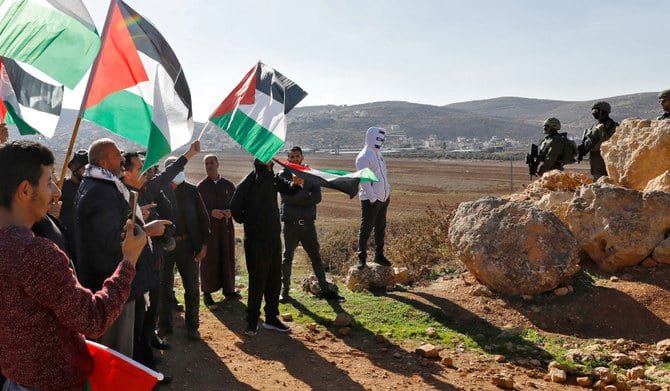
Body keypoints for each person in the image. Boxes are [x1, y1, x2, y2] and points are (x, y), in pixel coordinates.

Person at [0, 140, 147, 391]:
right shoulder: (34, 253)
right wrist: (129, 261)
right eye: (48, 181)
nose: (57, 191)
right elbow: (93, 319)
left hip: (16, 380)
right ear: (25, 190)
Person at [74, 138, 168, 358]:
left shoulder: (101, 186)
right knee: (118, 349)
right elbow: (111, 240)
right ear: (104, 162)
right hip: (113, 282)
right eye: (117, 155)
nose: (122, 159)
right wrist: (147, 231)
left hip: (116, 281)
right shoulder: (102, 192)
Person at [230, 159, 303, 336]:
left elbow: (290, 189)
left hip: (273, 238)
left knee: (274, 279)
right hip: (256, 240)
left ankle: (271, 318)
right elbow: (235, 208)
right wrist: (251, 221)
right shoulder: (250, 181)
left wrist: (298, 183)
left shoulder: (274, 178)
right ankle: (252, 322)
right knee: (257, 281)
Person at [278, 147, 345, 303]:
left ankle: (326, 290)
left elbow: (317, 198)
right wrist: (305, 193)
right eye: (292, 157)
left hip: (308, 224)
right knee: (287, 257)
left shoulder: (311, 174)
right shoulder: (282, 175)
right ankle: (284, 291)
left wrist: (299, 194)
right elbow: (288, 200)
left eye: (297, 156)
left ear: (302, 157)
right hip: (290, 225)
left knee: (315, 256)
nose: (295, 159)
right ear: (288, 158)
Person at [158, 156, 210, 342]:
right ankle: (164, 326)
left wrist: (203, 246)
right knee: (163, 288)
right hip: (164, 246)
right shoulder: (159, 191)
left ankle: (192, 327)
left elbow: (204, 220)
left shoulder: (191, 190)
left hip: (188, 246)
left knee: (192, 288)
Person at [197, 154, 240, 310]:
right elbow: (197, 210)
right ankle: (207, 293)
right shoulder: (200, 187)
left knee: (227, 257)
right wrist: (211, 212)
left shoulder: (228, 185)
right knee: (209, 260)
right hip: (209, 231)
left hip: (226, 229)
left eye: (211, 163)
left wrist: (231, 212)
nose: (209, 166)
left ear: (218, 164)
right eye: (206, 163)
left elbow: (237, 205)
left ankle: (229, 291)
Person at [356, 127, 392, 270]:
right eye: (379, 138)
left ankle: (379, 254)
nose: (381, 141)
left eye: (383, 139)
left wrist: (387, 191)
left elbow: (382, 174)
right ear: (372, 137)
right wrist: (372, 198)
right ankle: (361, 257)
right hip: (371, 200)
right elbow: (364, 179)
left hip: (383, 197)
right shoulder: (364, 156)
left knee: (380, 227)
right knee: (366, 229)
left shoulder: (378, 154)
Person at [59, 149, 88, 266]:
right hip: (69, 247)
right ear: (74, 168)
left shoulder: (90, 187)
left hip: (87, 246)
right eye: (84, 168)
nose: (87, 171)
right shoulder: (61, 188)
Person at [579, 101, 618, 181]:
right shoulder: (594, 127)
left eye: (596, 111)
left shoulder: (613, 127)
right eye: (593, 111)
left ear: (604, 111)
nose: (594, 113)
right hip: (595, 157)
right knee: (597, 179)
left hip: (606, 156)